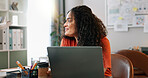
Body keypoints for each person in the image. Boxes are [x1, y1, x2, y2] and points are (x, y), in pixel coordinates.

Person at [48, 5, 112, 78]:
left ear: (81, 22)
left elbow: (102, 71)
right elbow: (63, 67)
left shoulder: (102, 41)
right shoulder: (66, 40)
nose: (65, 25)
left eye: (69, 20)